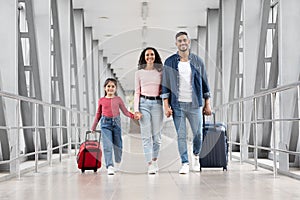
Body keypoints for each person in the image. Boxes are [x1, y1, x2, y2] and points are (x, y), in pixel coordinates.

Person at [161, 31, 212, 174]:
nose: (182, 43)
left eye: (185, 40)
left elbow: (205, 82)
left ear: (188, 42)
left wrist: (207, 103)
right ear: (176, 43)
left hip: (195, 104)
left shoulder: (197, 61)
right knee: (181, 135)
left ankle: (195, 155)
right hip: (177, 105)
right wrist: (166, 105)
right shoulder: (169, 62)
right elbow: (165, 84)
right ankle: (184, 162)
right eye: (179, 41)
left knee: (198, 133)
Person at [91, 78, 135, 175]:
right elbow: (98, 114)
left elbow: (125, 111)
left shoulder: (118, 99)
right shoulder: (101, 100)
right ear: (105, 88)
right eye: (108, 86)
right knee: (107, 146)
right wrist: (93, 127)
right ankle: (109, 166)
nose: (110, 88)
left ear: (116, 88)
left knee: (118, 145)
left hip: (116, 124)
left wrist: (134, 116)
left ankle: (118, 162)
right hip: (105, 124)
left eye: (113, 86)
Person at [134, 47, 164, 174]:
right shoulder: (139, 73)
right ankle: (150, 164)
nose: (150, 57)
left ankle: (155, 159)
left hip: (157, 104)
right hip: (143, 104)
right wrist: (136, 110)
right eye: (147, 55)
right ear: (144, 57)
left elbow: (165, 90)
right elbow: (137, 92)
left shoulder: (160, 72)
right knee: (146, 137)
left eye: (152, 54)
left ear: (155, 56)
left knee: (156, 137)